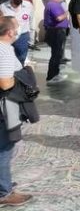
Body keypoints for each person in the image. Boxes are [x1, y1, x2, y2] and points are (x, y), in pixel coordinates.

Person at [0, 16, 32, 206]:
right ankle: (4, 192)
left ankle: (3, 182)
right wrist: (19, 77)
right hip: (5, 104)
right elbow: (5, 82)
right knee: (5, 147)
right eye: (16, 27)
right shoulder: (4, 50)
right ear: (10, 31)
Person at [43, 0, 69, 84]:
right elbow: (59, 18)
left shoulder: (53, 4)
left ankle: (55, 73)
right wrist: (67, 12)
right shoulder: (53, 5)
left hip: (56, 31)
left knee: (57, 54)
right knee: (56, 54)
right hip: (56, 32)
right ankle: (51, 76)